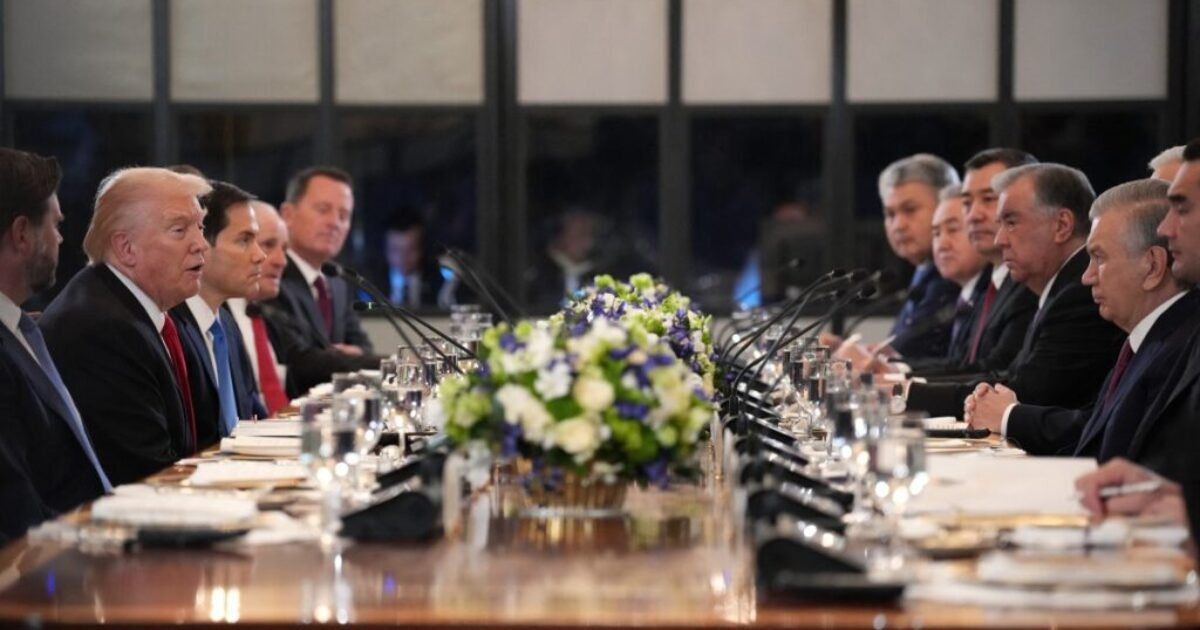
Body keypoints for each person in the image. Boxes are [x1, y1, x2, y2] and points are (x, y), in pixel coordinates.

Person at [964, 179, 1197, 457]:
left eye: (1099, 257)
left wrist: (1009, 415)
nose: (1087, 277)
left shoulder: (1179, 346)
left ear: (1153, 266)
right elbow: (1098, 429)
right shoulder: (1144, 341)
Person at [905, 163, 1124, 418]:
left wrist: (908, 394)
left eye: (1011, 222)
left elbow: (1028, 393)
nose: (1000, 240)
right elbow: (1011, 376)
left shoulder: (1079, 294)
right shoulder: (1057, 288)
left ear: (1062, 225)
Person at [39, 167, 211, 485]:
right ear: (126, 248)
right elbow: (149, 475)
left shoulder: (152, 310)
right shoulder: (101, 327)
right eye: (179, 230)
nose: (201, 244)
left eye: (200, 227)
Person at [0, 148, 111, 541]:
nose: (61, 238)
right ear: (21, 235)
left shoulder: (20, 328)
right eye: (56, 224)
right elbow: (15, 510)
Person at [227, 201, 378, 406]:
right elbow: (302, 362)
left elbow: (361, 344)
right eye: (268, 245)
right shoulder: (232, 311)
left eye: (344, 214)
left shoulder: (262, 309)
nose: (282, 261)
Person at [169, 181, 268, 448]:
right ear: (202, 245)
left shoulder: (225, 322)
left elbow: (252, 418)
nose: (260, 256)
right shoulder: (170, 328)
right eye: (244, 240)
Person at [270, 166, 374, 356]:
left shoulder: (337, 279)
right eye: (323, 210)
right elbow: (298, 359)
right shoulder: (272, 274)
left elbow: (364, 346)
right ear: (287, 214)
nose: (334, 223)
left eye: (343, 215)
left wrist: (358, 353)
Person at [876, 154, 962, 359]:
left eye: (910, 210)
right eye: (890, 214)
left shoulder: (953, 279)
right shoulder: (922, 273)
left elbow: (905, 357)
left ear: (946, 207)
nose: (898, 225)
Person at [383, 210, 449, 309]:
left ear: (422, 248)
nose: (403, 257)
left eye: (410, 250)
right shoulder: (370, 282)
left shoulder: (440, 280)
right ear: (385, 249)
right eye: (395, 250)